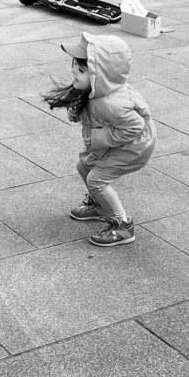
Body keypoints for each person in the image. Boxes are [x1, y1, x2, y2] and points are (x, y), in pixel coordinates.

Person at [45, 33, 155, 248]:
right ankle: (99, 205)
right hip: (114, 143)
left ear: (99, 74)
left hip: (133, 148)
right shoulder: (96, 91)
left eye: (81, 69)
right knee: (83, 164)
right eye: (75, 66)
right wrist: (77, 114)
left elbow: (135, 127)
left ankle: (122, 226)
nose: (73, 71)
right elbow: (95, 115)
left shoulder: (114, 103)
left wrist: (98, 137)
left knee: (96, 179)